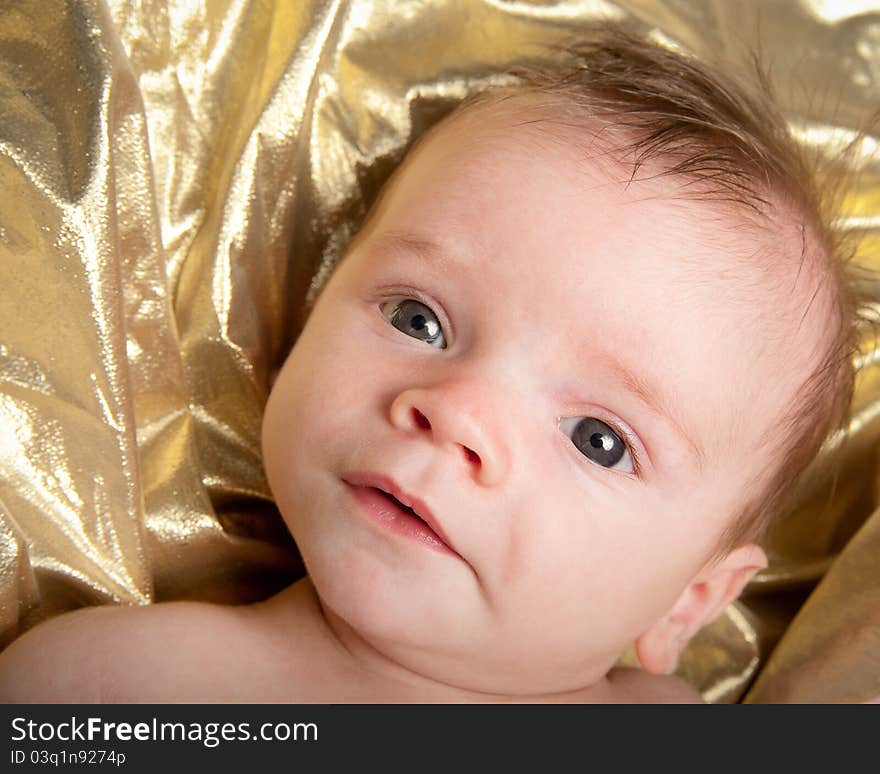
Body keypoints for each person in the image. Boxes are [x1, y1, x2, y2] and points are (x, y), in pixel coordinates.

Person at [0, 26, 864, 703]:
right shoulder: (119, 688)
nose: (455, 411)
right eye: (419, 319)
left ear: (693, 600)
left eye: (599, 439)